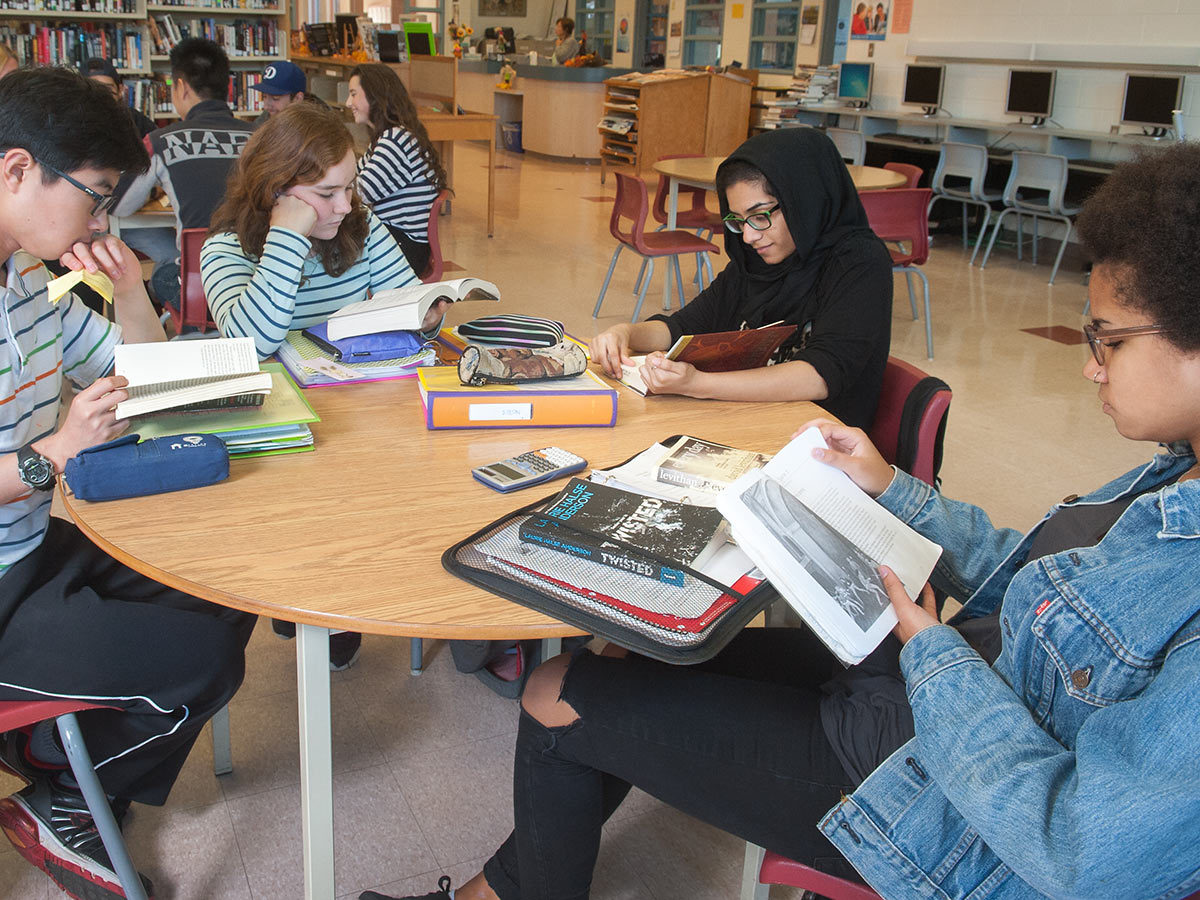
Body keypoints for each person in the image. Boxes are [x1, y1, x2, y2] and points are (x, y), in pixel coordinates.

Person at [362, 143, 1200, 900]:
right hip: (921, 694)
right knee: (627, 642)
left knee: (555, 693)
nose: (1089, 364)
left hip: (934, 787)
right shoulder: (1172, 471)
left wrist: (934, 655)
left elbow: (1083, 851)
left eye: (1111, 339)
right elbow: (1032, 576)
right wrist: (895, 492)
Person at [0, 66, 256, 900]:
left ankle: (72, 772)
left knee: (228, 576)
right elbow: (55, 451)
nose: (102, 221)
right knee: (202, 658)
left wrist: (130, 291)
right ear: (15, 170)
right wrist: (54, 452)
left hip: (38, 548)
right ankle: (60, 788)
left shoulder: (25, 279)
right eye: (95, 197)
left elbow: (145, 374)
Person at [200, 102, 446, 670]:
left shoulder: (360, 229)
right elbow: (252, 345)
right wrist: (288, 239)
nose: (347, 206)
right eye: (328, 193)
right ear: (278, 191)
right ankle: (311, 595)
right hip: (281, 432)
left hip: (361, 417)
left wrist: (424, 312)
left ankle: (355, 592)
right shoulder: (227, 250)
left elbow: (405, 298)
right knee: (311, 521)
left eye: (351, 187)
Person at [592, 127, 893, 430]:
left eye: (761, 215)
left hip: (819, 441)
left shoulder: (859, 262)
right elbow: (682, 326)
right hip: (750, 421)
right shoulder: (755, 262)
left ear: (805, 201)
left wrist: (699, 384)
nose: (748, 236)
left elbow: (820, 376)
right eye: (737, 220)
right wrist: (626, 333)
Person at [114, 37, 255, 313]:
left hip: (198, 288)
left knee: (159, 275)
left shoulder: (160, 141)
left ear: (180, 86)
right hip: (257, 281)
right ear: (228, 87)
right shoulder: (261, 138)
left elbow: (121, 205)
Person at [345, 63, 447, 276]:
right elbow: (351, 179)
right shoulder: (388, 137)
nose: (348, 103)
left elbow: (356, 195)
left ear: (375, 95)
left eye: (353, 94)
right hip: (402, 242)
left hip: (404, 248)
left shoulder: (395, 140)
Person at [81, 57, 156, 137]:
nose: (102, 95)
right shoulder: (72, 124)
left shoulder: (136, 121)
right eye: (94, 89)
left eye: (108, 89)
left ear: (120, 90)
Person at [249, 59, 326, 127]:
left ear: (297, 99)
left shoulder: (319, 129)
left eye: (275, 98)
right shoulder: (267, 117)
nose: (266, 106)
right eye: (264, 96)